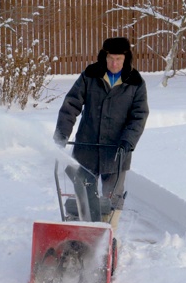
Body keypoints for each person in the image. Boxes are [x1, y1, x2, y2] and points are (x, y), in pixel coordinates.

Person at [53, 37, 149, 232]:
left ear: (126, 58)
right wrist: (61, 136)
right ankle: (82, 232)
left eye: (119, 59)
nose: (114, 64)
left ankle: (108, 235)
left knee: (112, 198)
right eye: (111, 58)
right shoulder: (90, 75)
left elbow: (139, 116)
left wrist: (127, 142)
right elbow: (71, 106)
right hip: (86, 148)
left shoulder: (135, 82)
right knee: (84, 192)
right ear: (104, 57)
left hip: (117, 151)